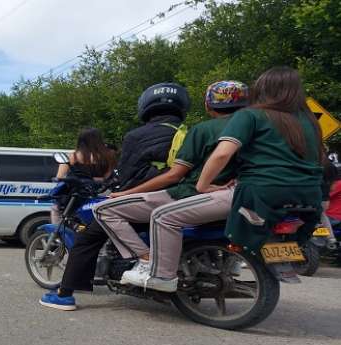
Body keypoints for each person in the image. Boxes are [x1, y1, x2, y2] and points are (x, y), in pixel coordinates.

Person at [39, 82, 190, 310]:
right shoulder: (190, 132)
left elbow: (126, 176)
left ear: (146, 106)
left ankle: (64, 294)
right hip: (185, 200)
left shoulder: (136, 136)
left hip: (145, 200)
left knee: (87, 238)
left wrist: (119, 190)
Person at [93, 80, 249, 292]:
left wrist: (124, 193)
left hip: (190, 193)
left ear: (208, 105)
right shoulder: (257, 128)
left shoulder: (203, 130)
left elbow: (173, 175)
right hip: (241, 195)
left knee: (103, 209)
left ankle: (146, 260)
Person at [197, 66, 323, 256]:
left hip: (262, 193)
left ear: (262, 89)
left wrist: (203, 185)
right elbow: (320, 160)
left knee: (165, 216)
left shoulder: (250, 115)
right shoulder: (310, 122)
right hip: (310, 196)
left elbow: (222, 154)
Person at [50, 128, 116, 223]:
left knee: (56, 209)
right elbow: (107, 177)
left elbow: (60, 176)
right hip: (99, 193)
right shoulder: (108, 156)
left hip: (75, 196)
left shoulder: (74, 156)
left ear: (81, 140)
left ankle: (60, 234)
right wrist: (95, 180)